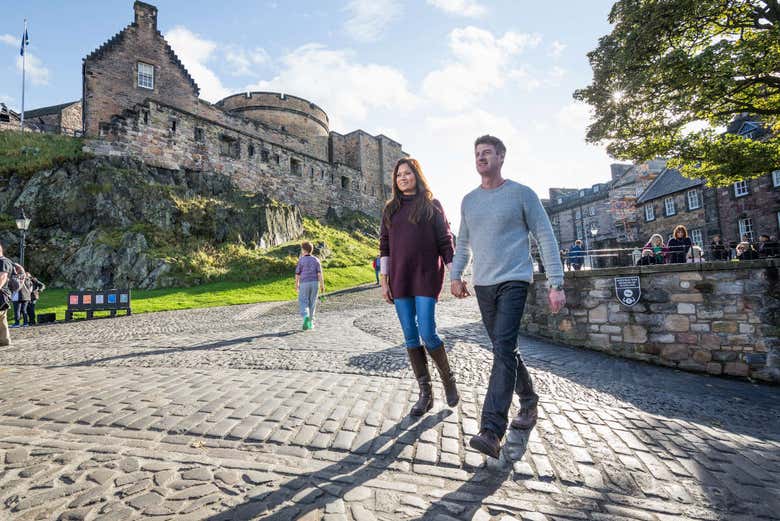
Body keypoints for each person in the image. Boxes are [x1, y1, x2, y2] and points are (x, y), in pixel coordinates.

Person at [451, 135, 565, 459]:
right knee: (505, 349)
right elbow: (463, 244)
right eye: (477, 153)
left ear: (501, 156)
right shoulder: (468, 201)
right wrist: (456, 275)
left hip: (515, 280)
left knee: (502, 348)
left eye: (487, 152)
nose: (481, 157)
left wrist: (556, 283)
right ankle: (529, 401)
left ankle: (491, 430)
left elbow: (545, 236)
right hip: (484, 285)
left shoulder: (522, 194)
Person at [379, 158, 459, 416]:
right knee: (410, 337)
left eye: (407, 173)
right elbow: (384, 248)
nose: (402, 178)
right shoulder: (391, 209)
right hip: (400, 278)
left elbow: (445, 241)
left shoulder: (432, 205)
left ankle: (448, 379)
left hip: (426, 276)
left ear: (417, 175)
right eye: (398, 175)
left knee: (428, 331)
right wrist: (384, 281)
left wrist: (455, 274)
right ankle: (425, 394)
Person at [295, 241, 325, 330]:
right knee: (312, 302)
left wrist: (296, 284)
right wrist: (322, 285)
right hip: (315, 283)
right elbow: (320, 274)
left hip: (304, 283)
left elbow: (297, 273)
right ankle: (310, 323)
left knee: (303, 301)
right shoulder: (316, 260)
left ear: (304, 250)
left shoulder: (301, 260)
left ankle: (305, 317)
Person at [0, 244, 14, 346]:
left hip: (1, 293)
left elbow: (3, 276)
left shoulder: (2, 261)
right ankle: (4, 340)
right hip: (4, 293)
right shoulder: (7, 261)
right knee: (2, 317)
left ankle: (4, 340)